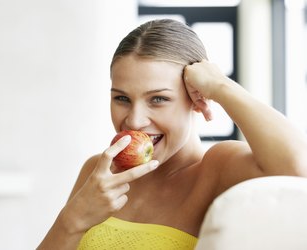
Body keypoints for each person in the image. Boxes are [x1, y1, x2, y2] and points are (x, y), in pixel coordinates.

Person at [37, 19, 307, 249]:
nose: (134, 120)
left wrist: (221, 86)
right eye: (121, 98)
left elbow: (299, 167)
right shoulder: (99, 171)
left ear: (195, 97)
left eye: (158, 99)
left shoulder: (217, 169)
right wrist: (72, 220)